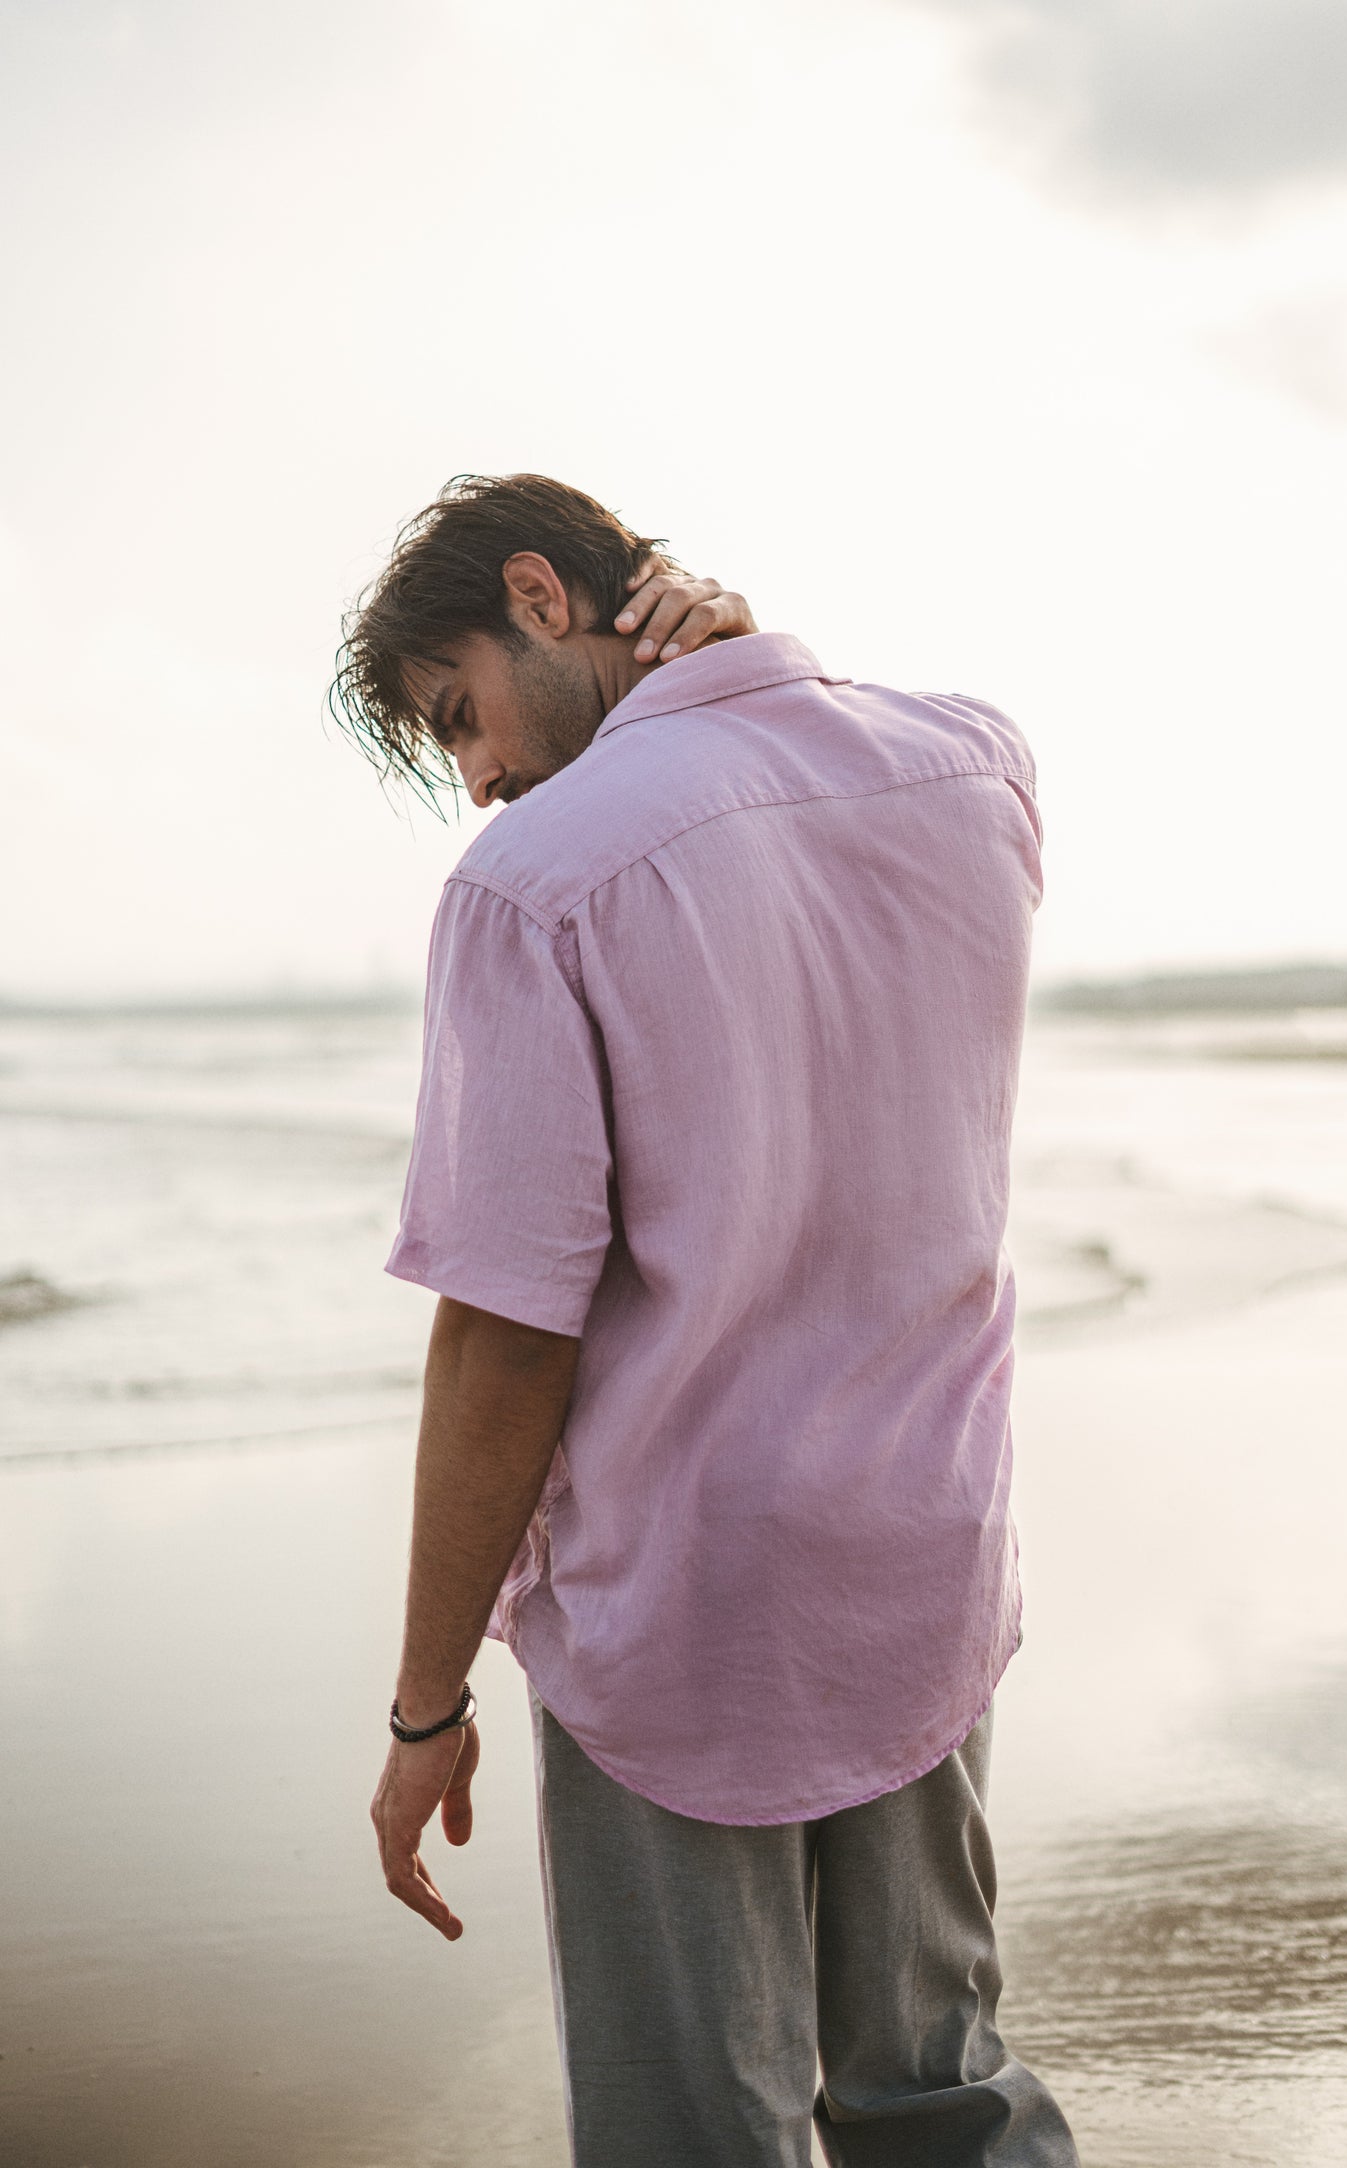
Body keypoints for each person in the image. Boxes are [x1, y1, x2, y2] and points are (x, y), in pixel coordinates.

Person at [331, 473, 1080, 2168]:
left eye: (462, 713)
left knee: (696, 2130)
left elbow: (507, 1332)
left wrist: (423, 1703)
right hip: (925, 1551)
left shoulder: (535, 882)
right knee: (940, 2092)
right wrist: (738, 674)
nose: (482, 775)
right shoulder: (976, 766)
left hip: (687, 1595)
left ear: (541, 593)